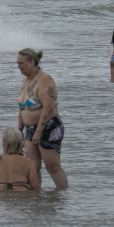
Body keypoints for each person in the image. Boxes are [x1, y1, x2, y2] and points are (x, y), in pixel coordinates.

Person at [16, 49, 68, 188]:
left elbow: (48, 107)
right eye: (17, 63)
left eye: (21, 63)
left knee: (52, 166)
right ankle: (35, 199)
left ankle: (61, 196)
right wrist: (19, 130)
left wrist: (39, 132)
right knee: (32, 166)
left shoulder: (45, 80)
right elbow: (22, 108)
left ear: (32, 62)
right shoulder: (25, 81)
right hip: (29, 128)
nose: (18, 66)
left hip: (48, 127)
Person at [0, 127, 41, 191]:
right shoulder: (27, 161)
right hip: (21, 197)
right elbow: (35, 187)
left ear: (4, 142)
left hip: (0, 197)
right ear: (20, 143)